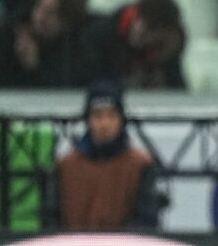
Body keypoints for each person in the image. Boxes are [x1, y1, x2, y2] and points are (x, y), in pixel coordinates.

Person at [47, 82, 160, 231]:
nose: (105, 124)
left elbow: (146, 221)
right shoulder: (66, 165)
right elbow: (50, 220)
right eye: (98, 116)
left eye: (111, 116)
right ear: (88, 120)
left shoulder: (140, 164)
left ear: (121, 120)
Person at [78, 0, 186, 89]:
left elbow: (178, 91)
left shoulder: (162, 52)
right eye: (147, 29)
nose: (146, 39)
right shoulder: (99, 37)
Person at [0, 0, 88, 88]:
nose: (40, 17)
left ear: (66, 22)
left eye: (50, 13)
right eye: (39, 8)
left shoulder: (73, 50)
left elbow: (66, 88)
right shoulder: (9, 33)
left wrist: (33, 67)